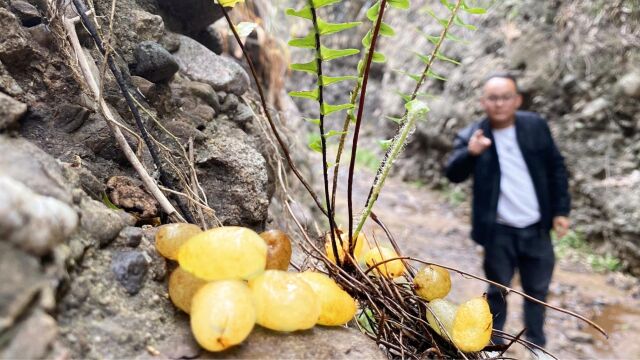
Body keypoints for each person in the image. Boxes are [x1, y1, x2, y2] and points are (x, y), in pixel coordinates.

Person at [444, 73, 570, 351]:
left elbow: (556, 167)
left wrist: (561, 210)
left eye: (505, 97)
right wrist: (471, 153)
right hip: (497, 230)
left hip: (536, 227)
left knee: (537, 291)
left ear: (517, 100)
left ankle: (537, 346)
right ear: (483, 101)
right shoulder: (473, 135)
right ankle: (493, 345)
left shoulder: (534, 126)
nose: (499, 104)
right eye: (493, 98)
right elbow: (452, 173)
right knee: (497, 289)